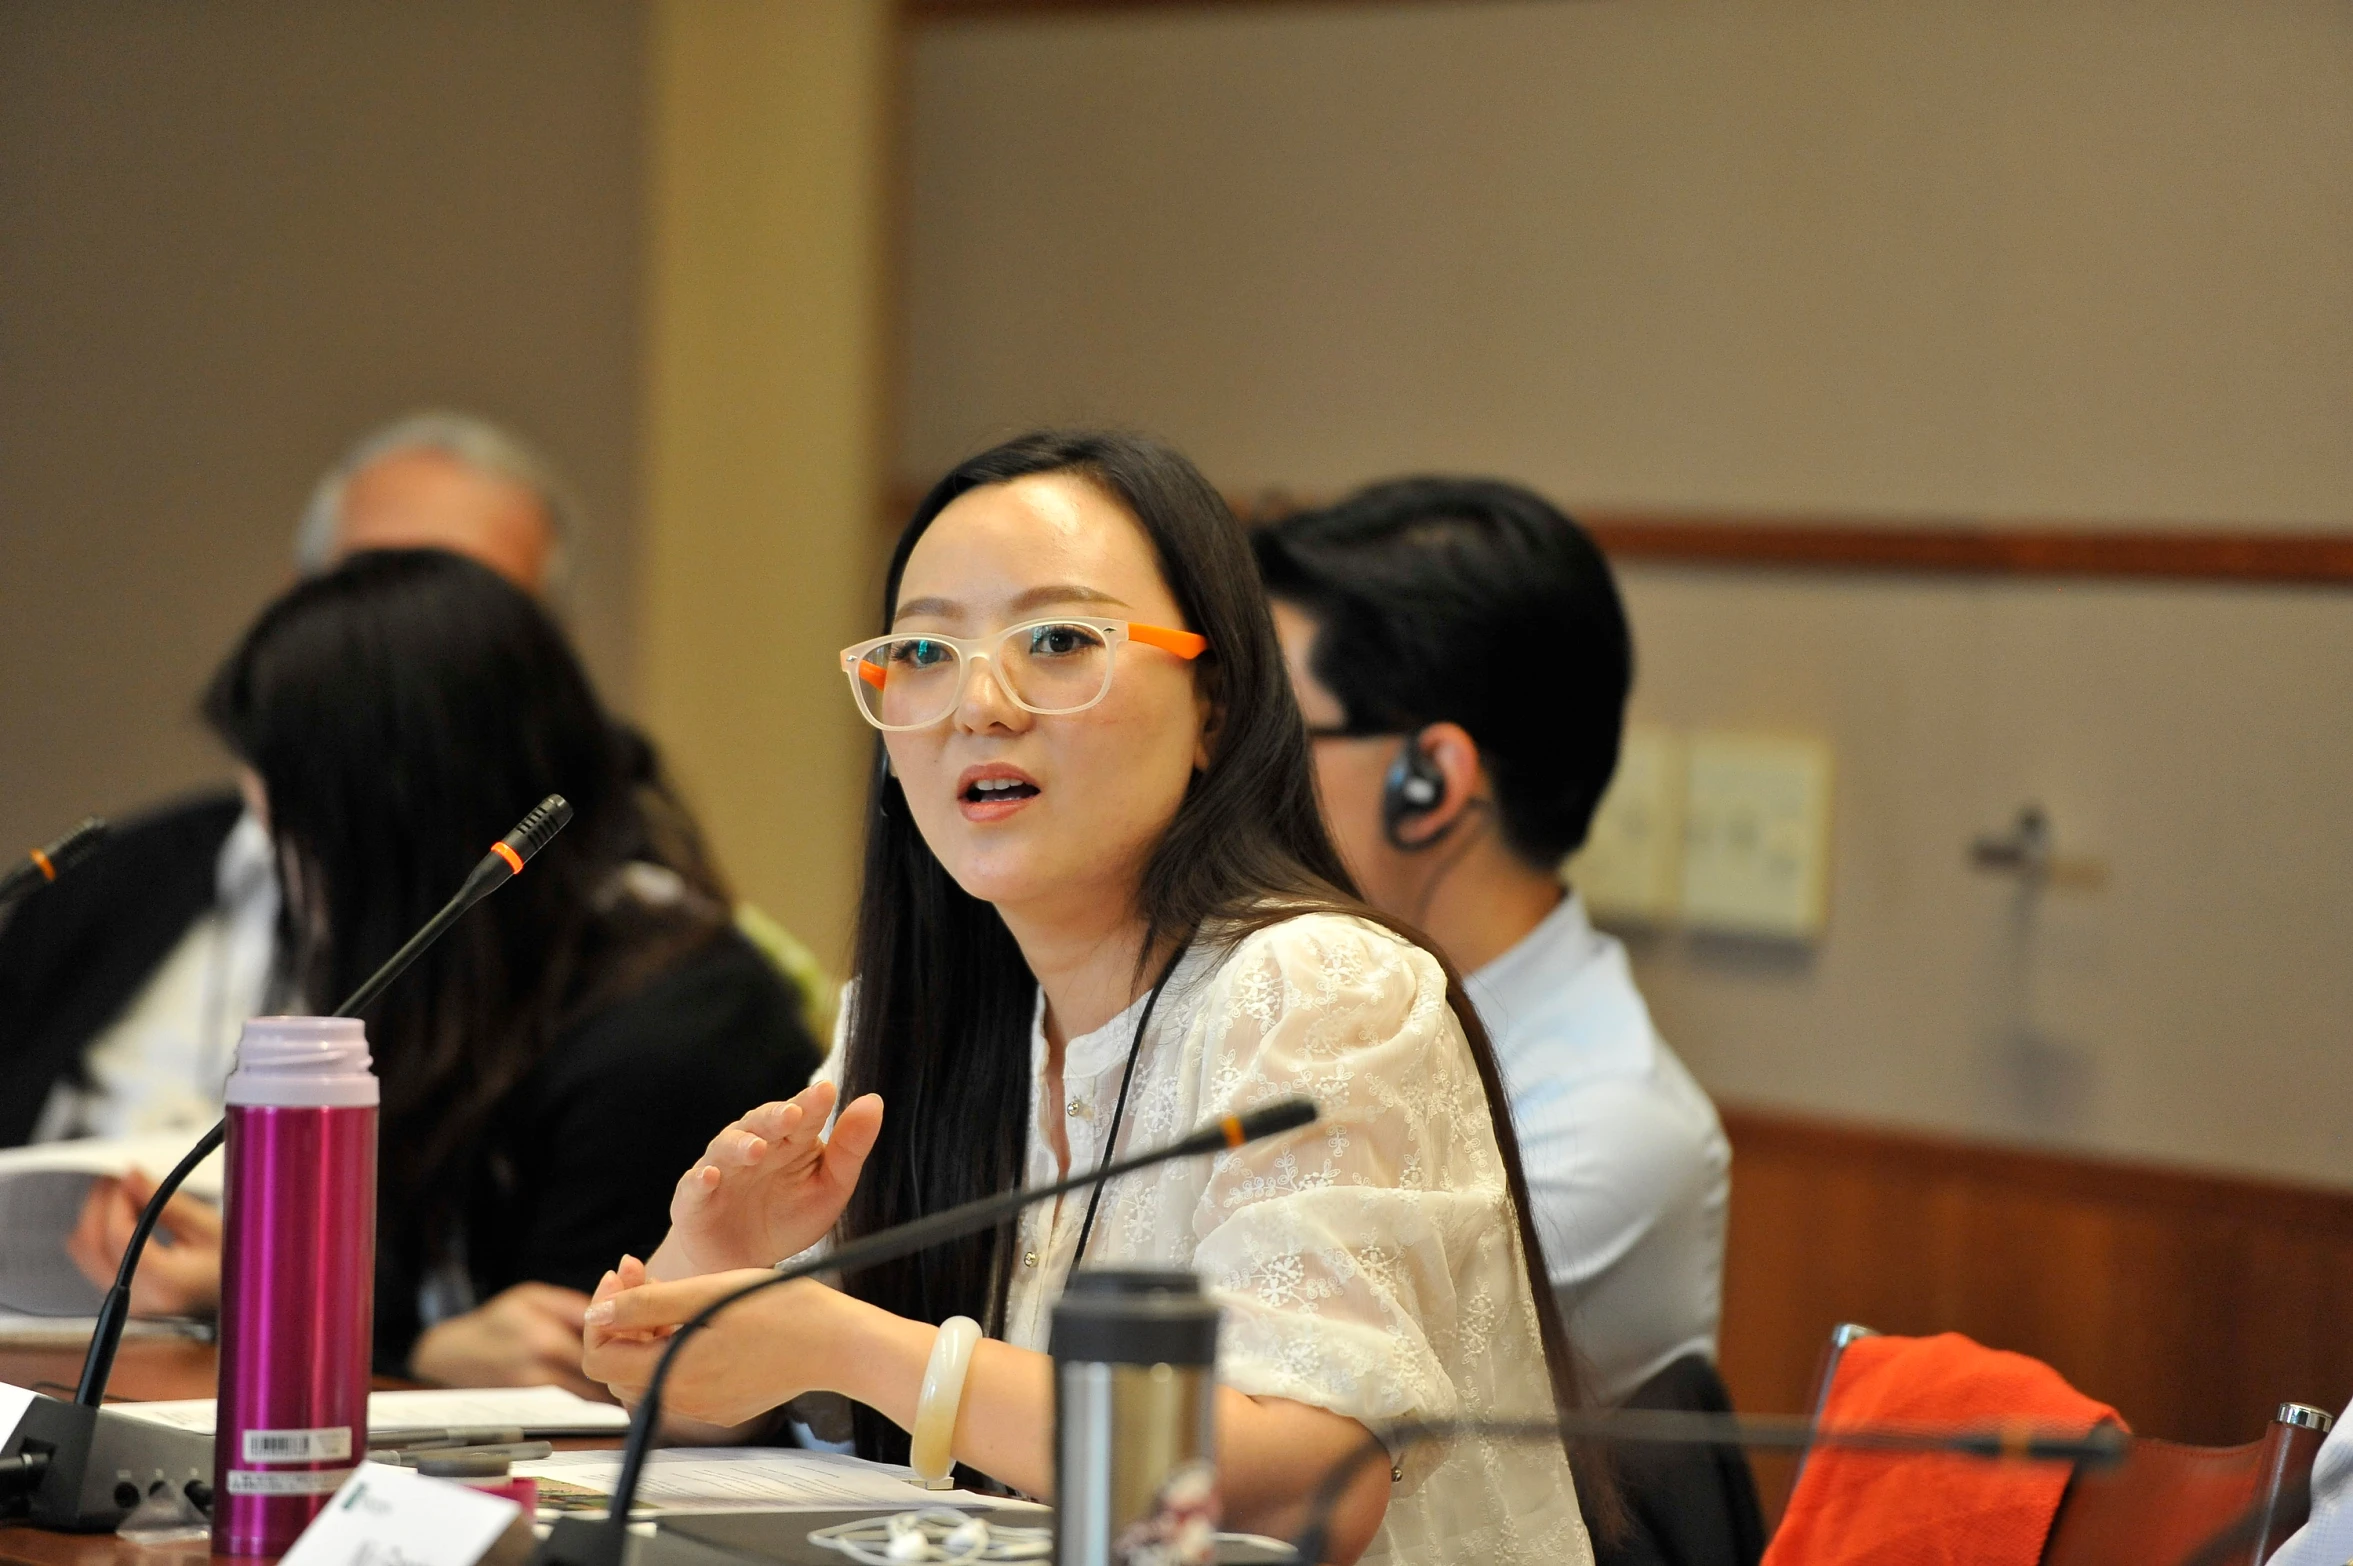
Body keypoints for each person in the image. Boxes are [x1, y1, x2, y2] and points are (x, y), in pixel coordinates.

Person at [577, 432, 1602, 1566]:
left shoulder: (1319, 992)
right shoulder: (911, 1015)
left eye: (1058, 640)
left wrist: (851, 1344)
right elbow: (687, 1421)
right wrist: (710, 1268)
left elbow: (1301, 1491)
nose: (979, 703)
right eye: (923, 649)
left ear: (1214, 705)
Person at [65, 551, 824, 1389]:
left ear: (396, 816)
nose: (275, 859)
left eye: (292, 820)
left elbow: (589, 1372)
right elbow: (438, 1301)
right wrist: (254, 1285)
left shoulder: (676, 1033)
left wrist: (416, 1350)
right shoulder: (469, 980)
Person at [0, 411, 835, 1149]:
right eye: (368, 587)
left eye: (466, 608)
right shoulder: (101, 882)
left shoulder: (618, 978)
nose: (401, 653)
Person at [1251, 478, 1731, 1408]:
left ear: (1428, 782)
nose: (1227, 779)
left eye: (1277, 738)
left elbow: (1285, 1393)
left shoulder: (1606, 1131)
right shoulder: (1308, 1000)